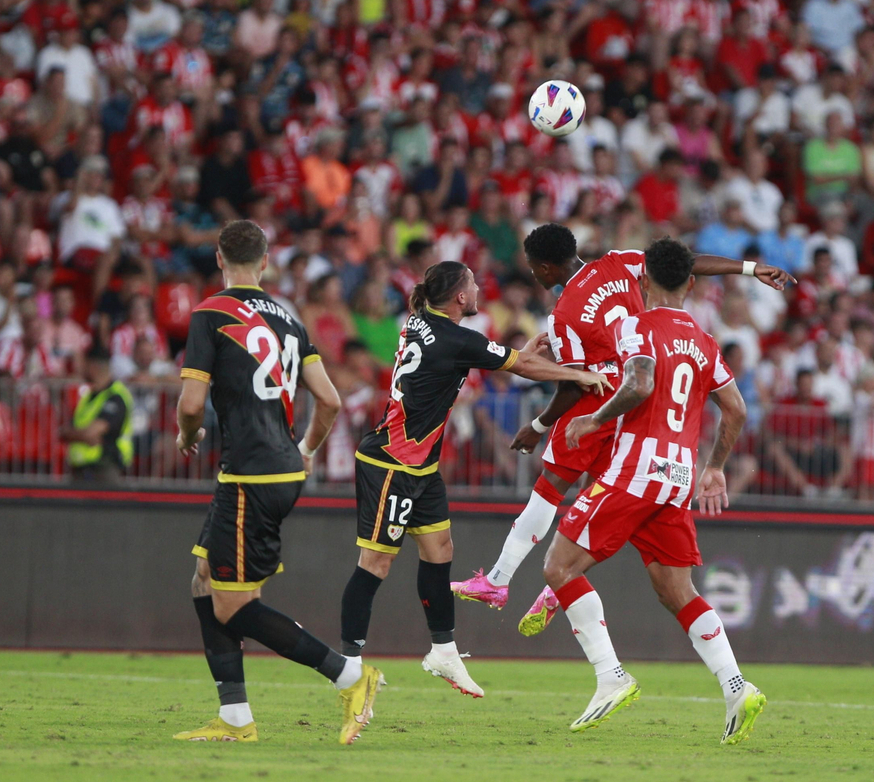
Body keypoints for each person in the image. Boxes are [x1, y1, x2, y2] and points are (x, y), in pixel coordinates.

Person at [451, 223, 793, 624]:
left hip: (597, 400)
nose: (533, 275)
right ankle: (556, 585)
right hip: (634, 403)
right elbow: (682, 264)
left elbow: (572, 384)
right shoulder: (620, 264)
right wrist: (750, 269)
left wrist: (539, 426)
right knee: (594, 497)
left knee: (549, 487)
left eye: (532, 267)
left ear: (545, 268)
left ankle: (499, 578)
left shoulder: (562, 317)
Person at [338, 260, 607, 699]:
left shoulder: (422, 320)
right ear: (461, 297)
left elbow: (506, 358)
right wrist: (578, 374)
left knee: (440, 550)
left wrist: (528, 356)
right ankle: (347, 665)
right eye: (473, 284)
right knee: (376, 563)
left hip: (420, 466)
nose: (479, 288)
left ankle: (443, 652)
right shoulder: (455, 337)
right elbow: (518, 367)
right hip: (391, 463)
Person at [540, 238, 766, 744]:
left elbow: (639, 383)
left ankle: (610, 677)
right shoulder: (705, 341)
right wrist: (715, 468)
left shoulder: (634, 325)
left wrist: (594, 419)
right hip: (678, 477)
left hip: (633, 471)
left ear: (642, 281)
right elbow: (736, 409)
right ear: (691, 283)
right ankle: (736, 686)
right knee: (675, 590)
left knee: (558, 567)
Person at [172, 219, 380, 747]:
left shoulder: (210, 314)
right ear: (265, 262)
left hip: (250, 472)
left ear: (220, 258)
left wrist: (186, 434)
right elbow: (329, 400)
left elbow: (192, 404)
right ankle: (235, 719)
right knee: (204, 578)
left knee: (232, 604)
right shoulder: (288, 318)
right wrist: (306, 449)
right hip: (277, 465)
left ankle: (351, 676)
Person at [61, 345, 134, 483]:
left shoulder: (116, 396)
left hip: (104, 470)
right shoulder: (87, 397)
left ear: (92, 366)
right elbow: (64, 432)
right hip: (79, 471)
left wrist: (74, 434)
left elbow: (90, 432)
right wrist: (81, 435)